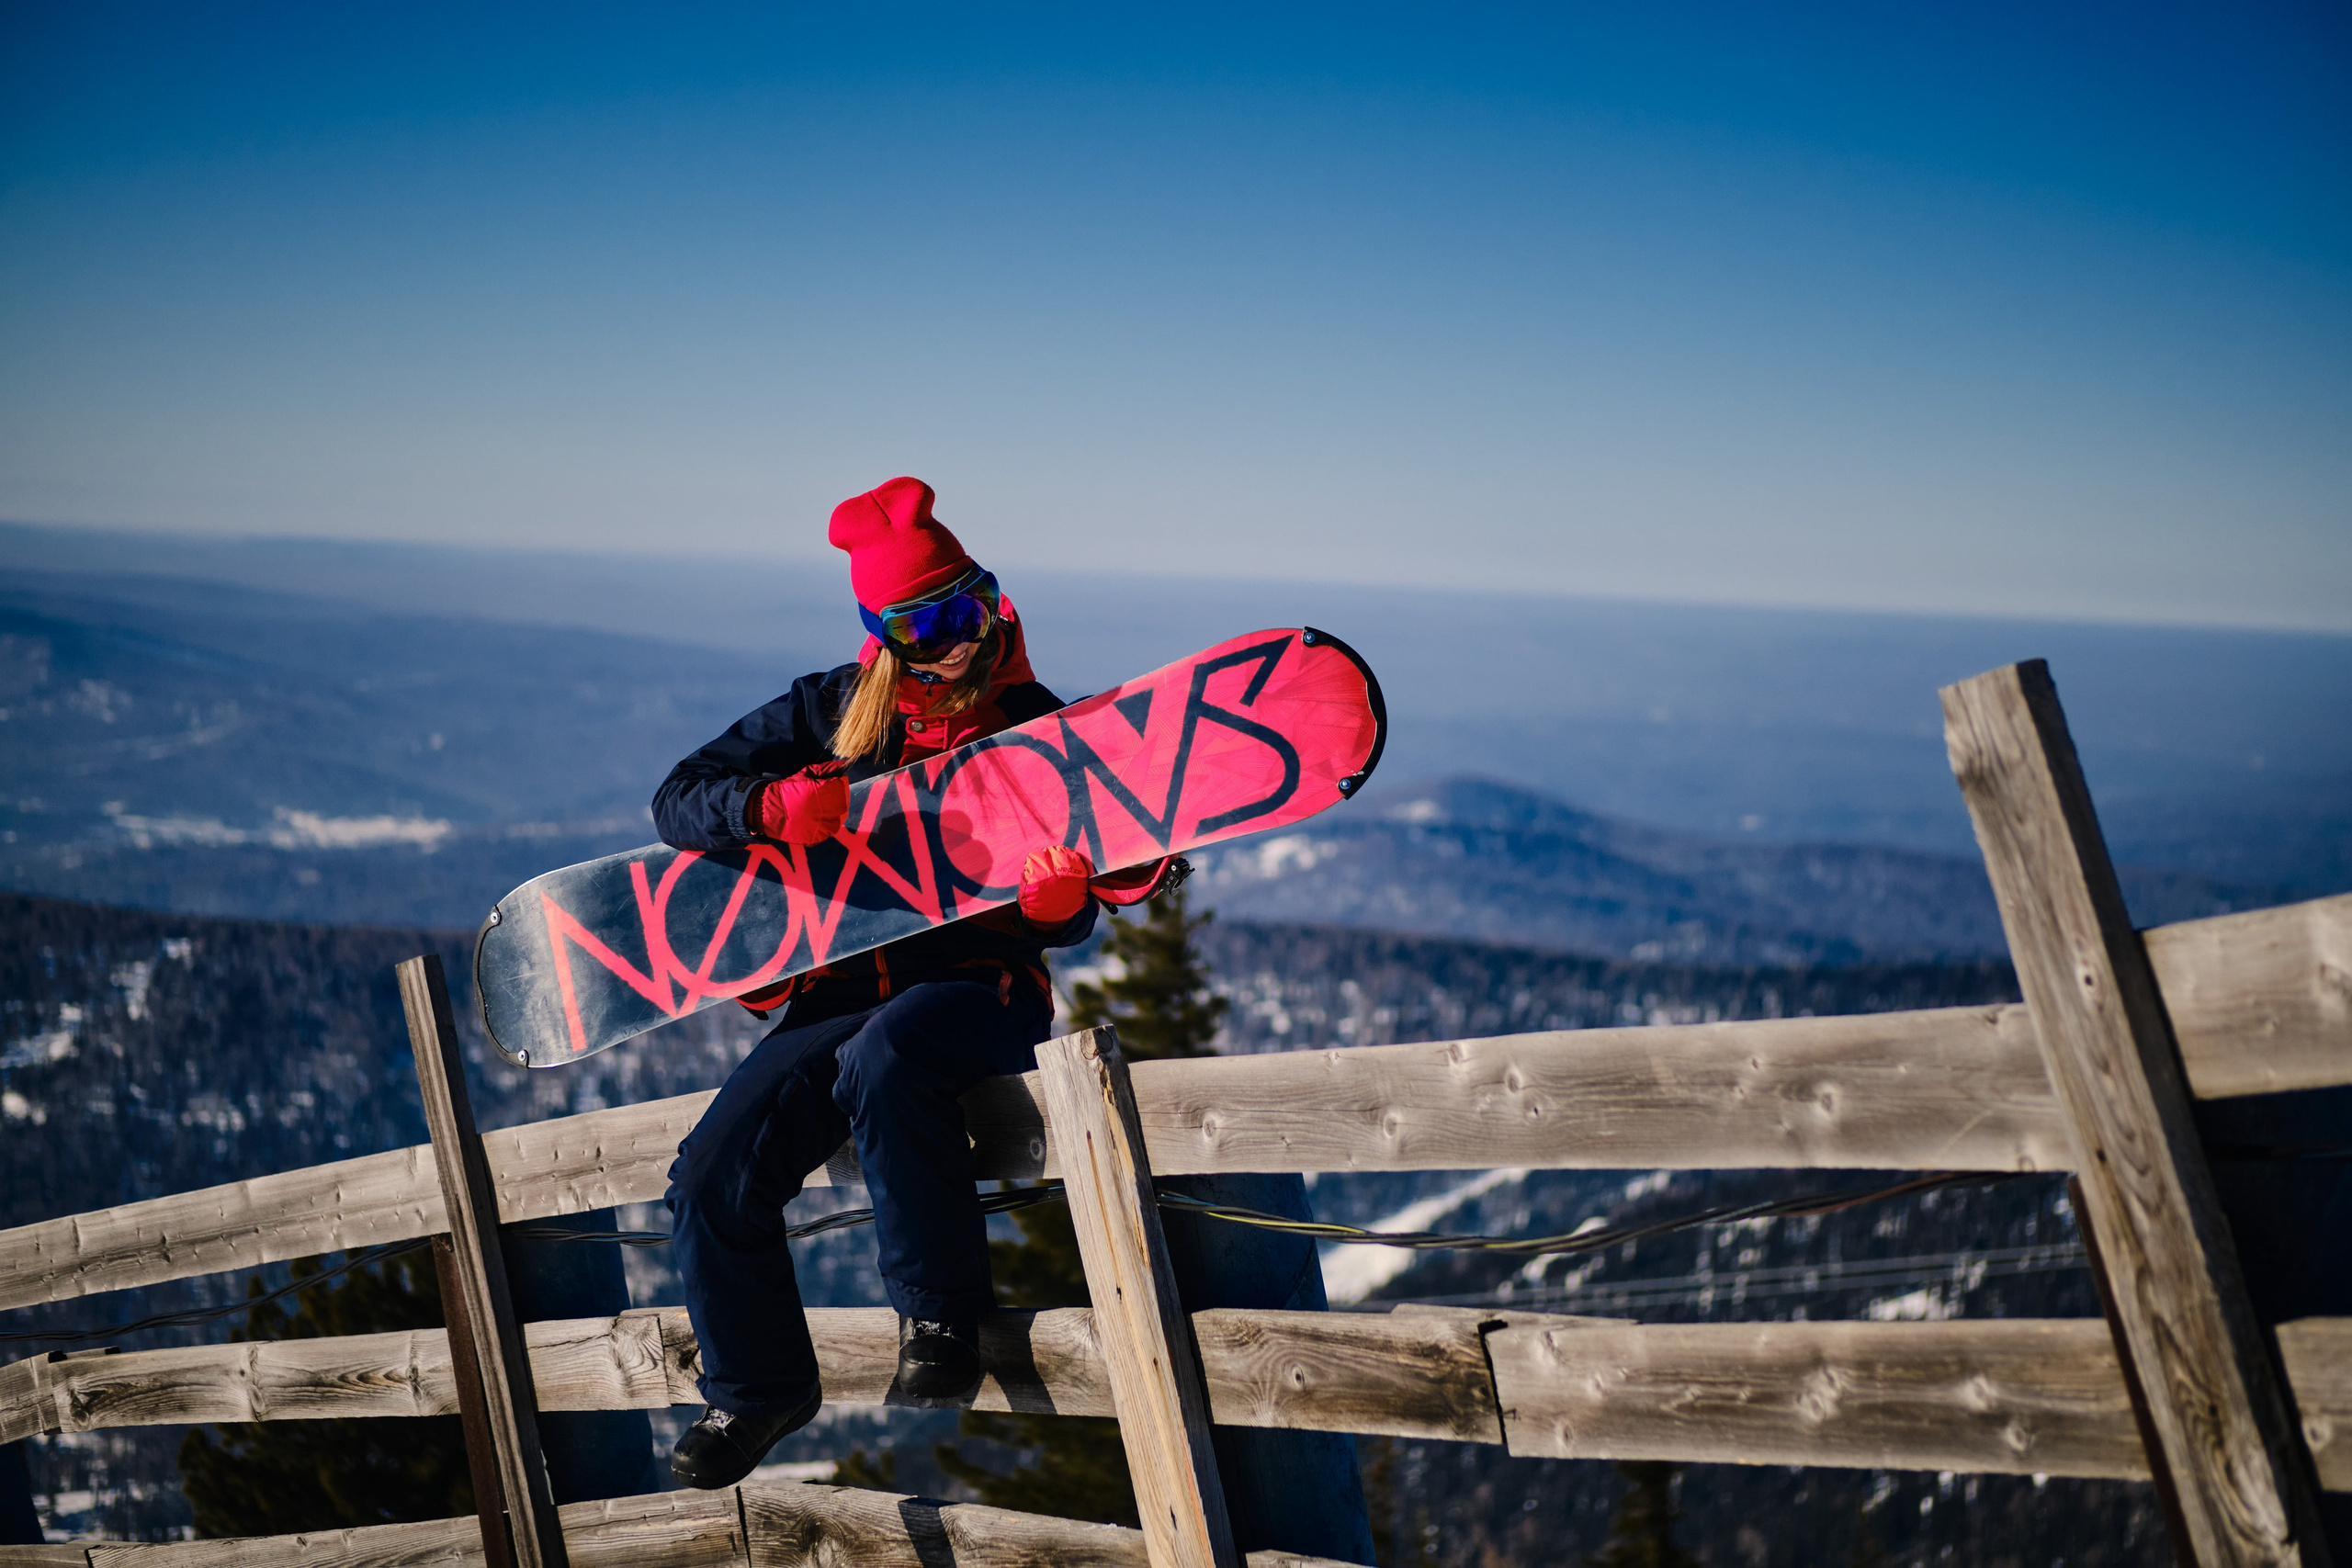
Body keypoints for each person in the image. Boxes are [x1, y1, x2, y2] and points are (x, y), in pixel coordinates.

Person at [650, 477, 1173, 1489]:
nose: (958, 642)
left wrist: (1059, 907)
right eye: (925, 624)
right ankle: (758, 1388)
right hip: (839, 990)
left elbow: (1099, 887)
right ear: (882, 637)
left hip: (981, 986)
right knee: (708, 1171)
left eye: (968, 609)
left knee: (893, 1059)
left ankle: (941, 1316)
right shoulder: (828, 712)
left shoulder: (1034, 726)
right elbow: (677, 799)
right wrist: (765, 811)